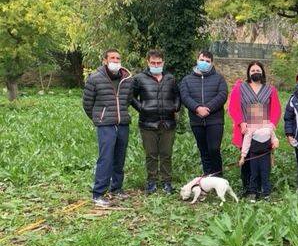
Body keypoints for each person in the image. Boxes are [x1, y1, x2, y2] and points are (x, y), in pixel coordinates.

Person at [82, 49, 134, 207]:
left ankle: (116, 188)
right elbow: (87, 102)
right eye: (112, 58)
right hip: (106, 125)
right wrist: (99, 118)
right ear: (105, 60)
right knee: (106, 158)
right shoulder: (95, 78)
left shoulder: (127, 79)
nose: (115, 61)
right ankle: (98, 193)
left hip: (122, 123)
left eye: (118, 58)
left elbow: (128, 99)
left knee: (120, 157)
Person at [228, 61, 282, 200]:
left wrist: (272, 125)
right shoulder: (240, 88)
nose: (255, 72)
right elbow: (233, 107)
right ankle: (249, 189)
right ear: (248, 73)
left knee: (263, 160)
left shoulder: (270, 90)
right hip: (246, 130)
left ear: (262, 72)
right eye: (252, 70)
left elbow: (276, 109)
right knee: (247, 159)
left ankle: (263, 188)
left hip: (263, 131)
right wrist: (240, 123)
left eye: (258, 70)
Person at [131, 50, 181, 194]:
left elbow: (177, 95)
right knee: (151, 154)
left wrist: (176, 107)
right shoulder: (139, 78)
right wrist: (142, 107)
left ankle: (167, 182)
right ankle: (151, 182)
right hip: (148, 123)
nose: (156, 65)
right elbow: (131, 97)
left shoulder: (170, 78)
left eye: (159, 63)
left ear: (163, 63)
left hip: (168, 123)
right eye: (153, 63)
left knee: (166, 154)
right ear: (148, 62)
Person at [179, 51, 228, 176]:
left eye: (207, 61)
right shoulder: (187, 80)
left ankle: (218, 176)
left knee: (214, 149)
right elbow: (185, 96)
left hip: (215, 120)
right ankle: (207, 176)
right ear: (197, 60)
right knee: (203, 150)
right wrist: (197, 108)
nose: (204, 63)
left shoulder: (219, 79)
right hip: (196, 121)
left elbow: (222, 95)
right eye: (202, 60)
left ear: (212, 63)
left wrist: (207, 108)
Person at [239, 120, 279, 202]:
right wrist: (243, 156)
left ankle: (266, 194)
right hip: (254, 156)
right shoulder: (250, 128)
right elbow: (246, 142)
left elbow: (274, 138)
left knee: (265, 174)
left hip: (266, 156)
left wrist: (276, 143)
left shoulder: (269, 126)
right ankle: (253, 193)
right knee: (254, 174)